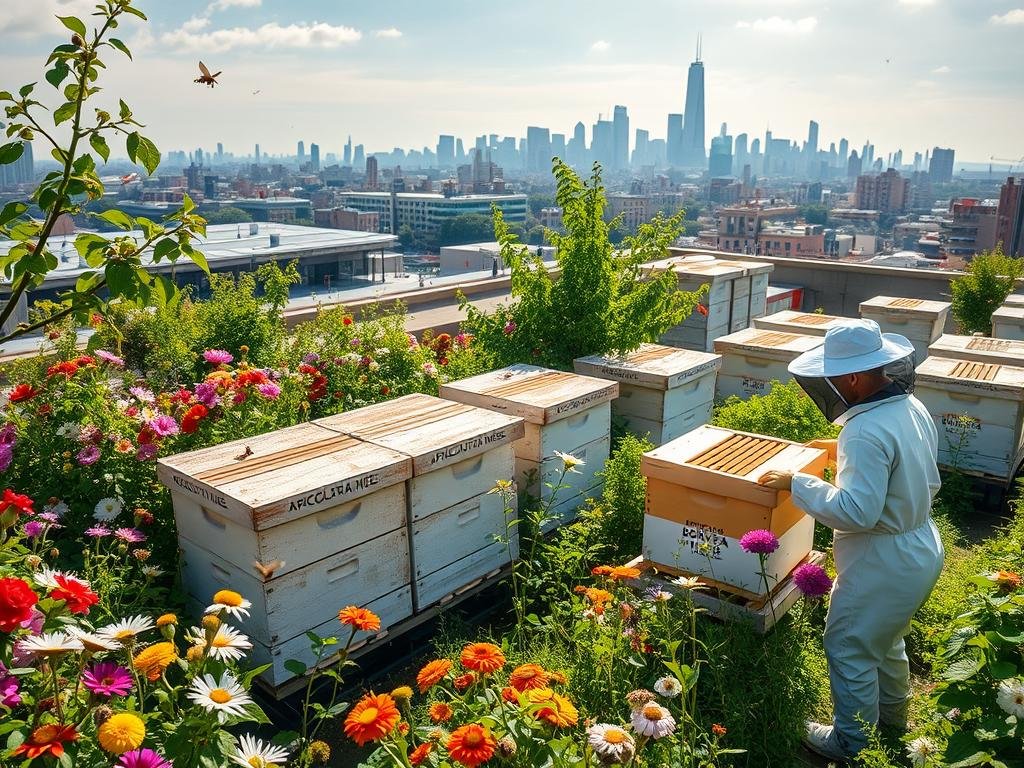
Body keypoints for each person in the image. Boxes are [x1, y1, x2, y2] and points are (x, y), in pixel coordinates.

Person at [756, 319, 945, 761]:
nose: (831, 385)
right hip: (920, 546)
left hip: (883, 559)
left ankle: (852, 744)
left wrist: (797, 483)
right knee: (887, 638)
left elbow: (858, 511)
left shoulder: (863, 430)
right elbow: (904, 464)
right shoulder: (910, 408)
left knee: (849, 646)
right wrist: (840, 447)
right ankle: (893, 721)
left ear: (855, 377)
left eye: (835, 377)